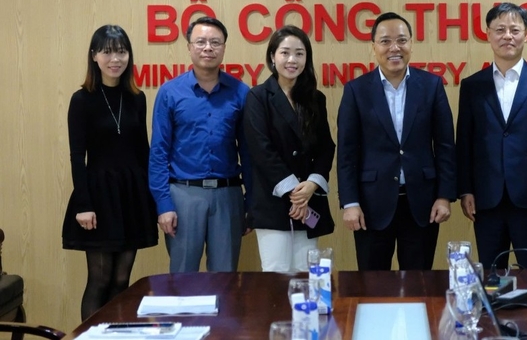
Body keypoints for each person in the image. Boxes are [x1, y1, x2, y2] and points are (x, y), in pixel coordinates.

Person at [337, 11, 456, 270]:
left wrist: (444, 196)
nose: (394, 48)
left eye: (402, 40)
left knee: (418, 284)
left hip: (422, 205)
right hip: (370, 206)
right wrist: (350, 202)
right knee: (371, 285)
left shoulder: (432, 85)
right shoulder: (356, 90)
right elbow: (347, 153)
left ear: (411, 44)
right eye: (385, 41)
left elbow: (445, 145)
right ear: (373, 47)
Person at [456, 2, 527, 269]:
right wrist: (465, 189)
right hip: (486, 197)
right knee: (492, 273)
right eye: (500, 30)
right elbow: (465, 142)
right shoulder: (472, 85)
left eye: (515, 30)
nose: (508, 36)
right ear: (488, 34)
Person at [63, 25, 158, 320]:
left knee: (121, 281)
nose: (115, 58)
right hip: (99, 196)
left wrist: (152, 199)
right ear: (94, 56)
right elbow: (78, 156)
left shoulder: (137, 98)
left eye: (121, 51)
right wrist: (84, 204)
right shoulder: (82, 100)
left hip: (131, 194)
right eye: (107, 51)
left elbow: (143, 151)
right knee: (100, 280)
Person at [149, 16, 252, 273]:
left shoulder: (241, 92)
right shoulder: (170, 92)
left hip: (228, 196)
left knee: (225, 278)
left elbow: (249, 154)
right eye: (201, 42)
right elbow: (159, 152)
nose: (208, 48)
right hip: (183, 196)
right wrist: (164, 205)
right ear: (189, 46)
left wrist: (251, 203)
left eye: (215, 42)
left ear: (224, 48)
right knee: (183, 280)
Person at [244, 26, 335, 272]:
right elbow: (261, 150)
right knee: (276, 277)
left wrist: (312, 185)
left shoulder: (315, 99)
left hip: (309, 200)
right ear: (273, 57)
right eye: (285, 53)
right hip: (273, 203)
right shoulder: (258, 97)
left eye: (299, 53)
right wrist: (294, 193)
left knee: (306, 276)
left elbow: (326, 147)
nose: (292, 60)